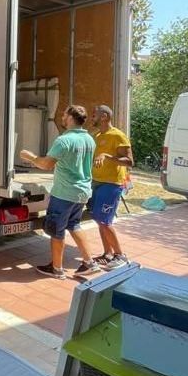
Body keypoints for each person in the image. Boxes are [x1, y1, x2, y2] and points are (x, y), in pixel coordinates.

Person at [20, 105, 100, 279]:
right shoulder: (89, 139)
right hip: (82, 192)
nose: (62, 117)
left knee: (57, 230)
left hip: (64, 193)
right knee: (74, 224)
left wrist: (30, 157)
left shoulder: (64, 140)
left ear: (70, 117)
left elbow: (46, 165)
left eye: (64, 115)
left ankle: (56, 269)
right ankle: (89, 263)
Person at [90, 104, 134, 268]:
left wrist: (107, 156)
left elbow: (130, 161)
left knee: (105, 221)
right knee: (98, 219)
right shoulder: (97, 135)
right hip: (97, 182)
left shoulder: (118, 135)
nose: (92, 118)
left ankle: (120, 255)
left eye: (94, 115)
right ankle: (107, 254)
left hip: (112, 184)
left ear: (104, 117)